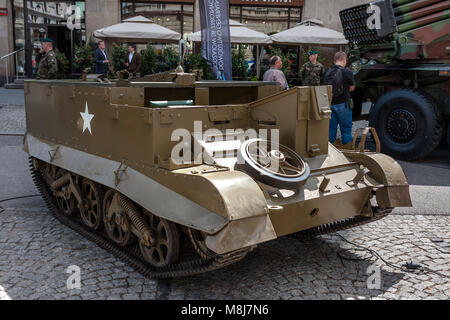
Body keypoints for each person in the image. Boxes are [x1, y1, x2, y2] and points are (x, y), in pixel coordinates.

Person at [322, 51, 355, 148]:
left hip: (329, 104)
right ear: (344, 60)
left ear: (335, 60)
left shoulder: (327, 71)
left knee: (330, 130)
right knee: (346, 130)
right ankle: (348, 151)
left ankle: (330, 152)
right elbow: (352, 88)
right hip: (343, 104)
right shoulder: (347, 72)